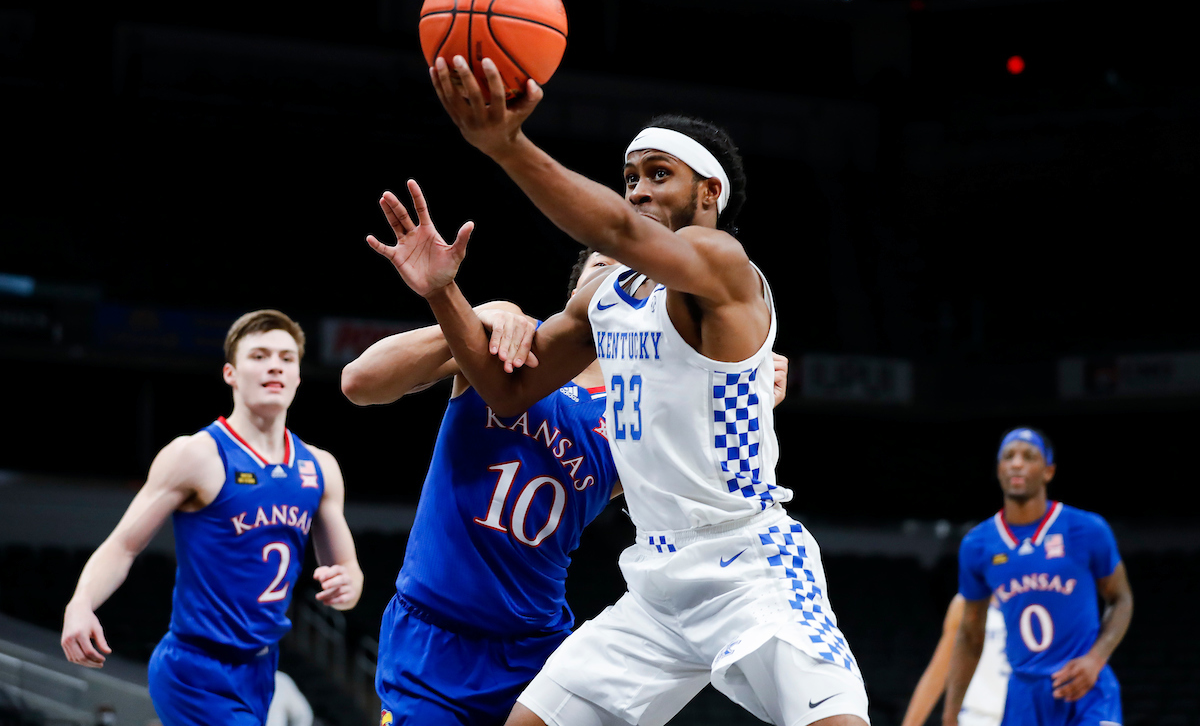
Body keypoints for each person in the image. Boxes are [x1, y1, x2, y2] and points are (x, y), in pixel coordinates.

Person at [366, 54, 871, 726]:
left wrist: (509, 147)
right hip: (658, 579)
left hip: (749, 564)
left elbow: (616, 231)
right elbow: (505, 393)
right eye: (630, 177)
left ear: (709, 195)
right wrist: (444, 294)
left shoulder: (724, 264)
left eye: (659, 175)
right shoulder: (606, 297)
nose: (638, 190)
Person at [344, 241, 792, 725]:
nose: (615, 281)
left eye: (635, 275)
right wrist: (473, 316)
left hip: (536, 649)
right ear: (577, 290)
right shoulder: (512, 340)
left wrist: (739, 409)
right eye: (602, 267)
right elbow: (360, 382)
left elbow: (698, 506)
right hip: (434, 637)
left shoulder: (643, 412)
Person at [61, 309, 363, 726]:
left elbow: (347, 571)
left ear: (297, 376)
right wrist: (80, 604)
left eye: (286, 358)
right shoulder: (196, 455)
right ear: (230, 374)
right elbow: (124, 545)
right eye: (258, 356)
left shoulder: (321, 466)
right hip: (195, 670)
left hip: (261, 670)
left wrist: (348, 586)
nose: (274, 364)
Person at [944, 428, 1133, 726]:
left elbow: (1121, 599)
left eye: (1028, 456)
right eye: (1009, 457)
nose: (1017, 463)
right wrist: (950, 715)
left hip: (1087, 689)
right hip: (1024, 696)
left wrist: (1097, 658)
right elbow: (969, 636)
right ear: (999, 470)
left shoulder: (1087, 529)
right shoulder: (978, 544)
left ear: (1048, 471)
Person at [900, 594, 1008, 726]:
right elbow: (937, 674)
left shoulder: (1034, 598)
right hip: (975, 717)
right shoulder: (965, 603)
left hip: (1023, 715)